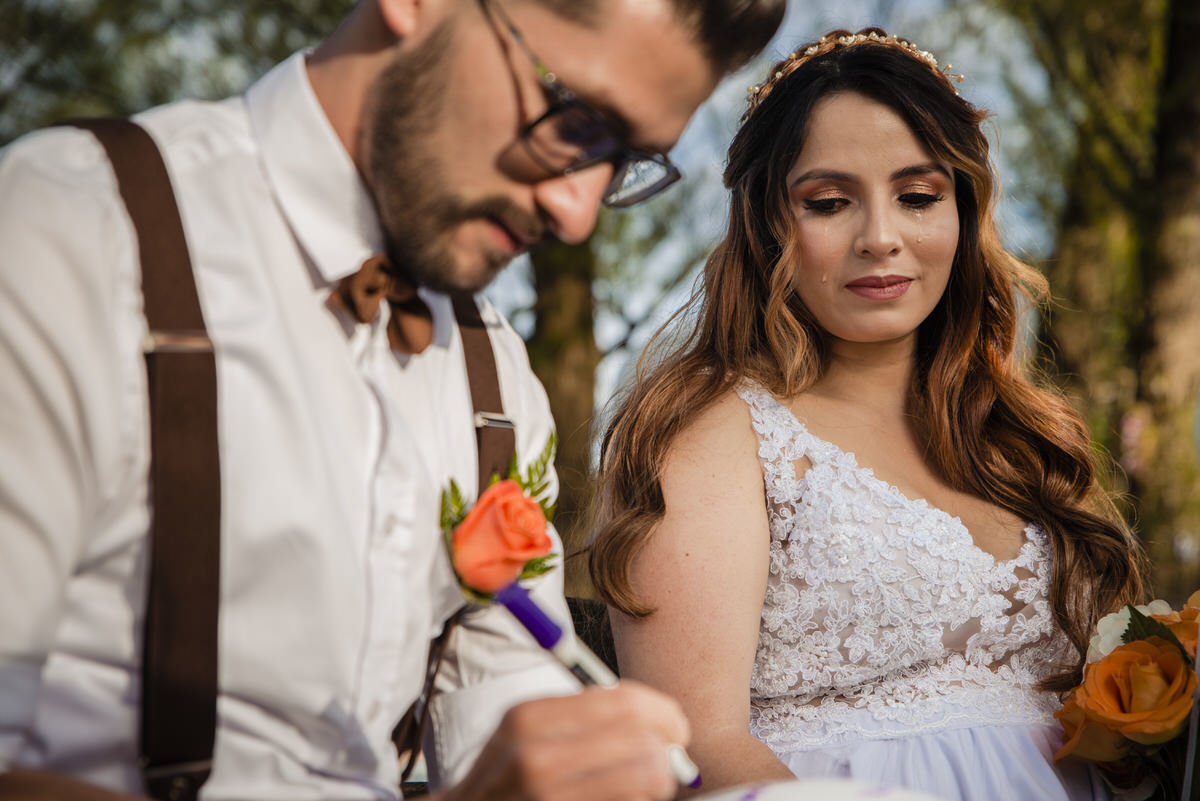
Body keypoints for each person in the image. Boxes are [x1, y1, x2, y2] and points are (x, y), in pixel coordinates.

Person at [0, 0, 786, 799]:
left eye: (621, 164)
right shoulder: (73, 231)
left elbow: (506, 695)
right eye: (575, 118)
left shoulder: (501, 378)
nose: (576, 214)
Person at [588, 29, 1146, 801]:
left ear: (963, 212)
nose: (880, 238)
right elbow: (695, 743)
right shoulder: (718, 434)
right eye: (829, 202)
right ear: (769, 223)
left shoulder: (1022, 437)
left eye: (918, 196)